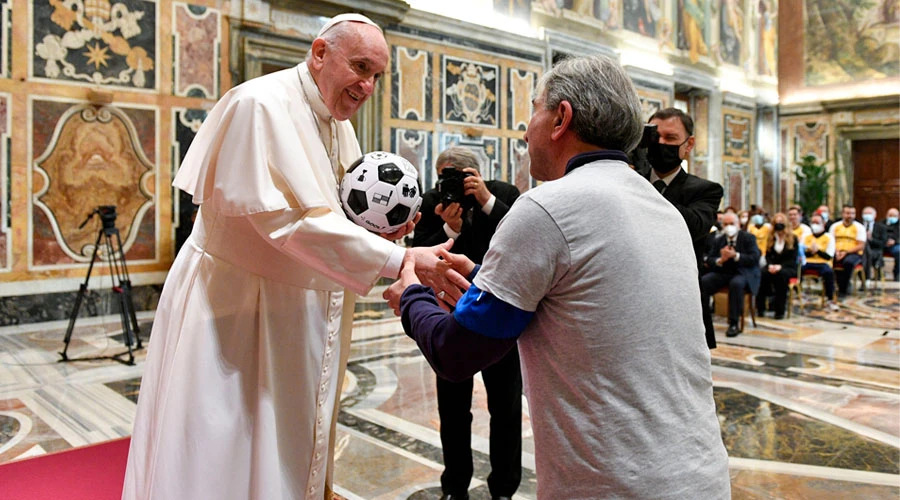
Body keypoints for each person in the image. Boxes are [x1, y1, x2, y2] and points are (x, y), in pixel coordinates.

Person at [122, 14, 441, 499]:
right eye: (360, 67)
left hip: (294, 314)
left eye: (377, 75)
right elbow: (285, 223)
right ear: (319, 53)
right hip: (233, 313)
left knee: (281, 446)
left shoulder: (338, 126)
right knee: (225, 446)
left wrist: (388, 235)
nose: (368, 86)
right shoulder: (258, 105)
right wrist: (398, 261)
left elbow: (333, 217)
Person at [386, 55, 730, 499]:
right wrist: (487, 282)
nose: (525, 130)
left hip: (615, 485)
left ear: (560, 118)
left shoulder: (547, 206)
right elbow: (582, 303)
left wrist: (413, 294)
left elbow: (456, 354)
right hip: (700, 474)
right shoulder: (661, 208)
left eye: (533, 110)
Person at [412, 147, 522, 500]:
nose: (452, 184)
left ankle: (504, 489)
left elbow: (520, 240)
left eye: (459, 176)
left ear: (477, 174)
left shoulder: (502, 194)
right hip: (450, 315)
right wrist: (450, 228)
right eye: (446, 175)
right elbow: (418, 255)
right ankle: (454, 486)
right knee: (453, 409)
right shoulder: (432, 202)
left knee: (505, 407)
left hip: (498, 314)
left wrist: (487, 201)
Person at [642, 107, 724, 271]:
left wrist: (642, 191)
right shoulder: (630, 180)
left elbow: (692, 227)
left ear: (688, 145)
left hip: (679, 283)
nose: (661, 143)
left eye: (670, 138)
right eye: (656, 137)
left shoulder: (706, 190)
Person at [701, 211, 761, 338]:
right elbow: (710, 259)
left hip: (743, 272)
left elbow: (754, 258)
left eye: (732, 223)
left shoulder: (748, 238)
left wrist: (736, 256)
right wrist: (720, 260)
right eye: (726, 224)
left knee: (736, 284)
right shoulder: (719, 240)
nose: (729, 227)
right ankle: (703, 321)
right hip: (723, 272)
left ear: (738, 224)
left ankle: (734, 323)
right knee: (704, 282)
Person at [756, 213, 798, 319]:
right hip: (772, 266)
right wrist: (770, 265)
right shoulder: (771, 238)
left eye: (781, 222)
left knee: (781, 276)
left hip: (788, 267)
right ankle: (761, 308)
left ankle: (779, 310)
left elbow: (793, 258)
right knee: (761, 274)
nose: (779, 225)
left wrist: (780, 266)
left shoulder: (793, 238)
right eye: (776, 223)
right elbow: (768, 255)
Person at [803, 214, 840, 312]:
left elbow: (829, 255)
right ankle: (799, 294)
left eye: (817, 223)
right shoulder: (806, 237)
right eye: (813, 222)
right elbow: (802, 254)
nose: (815, 225)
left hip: (823, 263)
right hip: (808, 262)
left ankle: (830, 299)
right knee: (794, 270)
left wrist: (818, 251)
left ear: (823, 224)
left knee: (828, 273)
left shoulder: (829, 237)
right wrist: (811, 252)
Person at [829, 205, 866, 298]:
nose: (850, 215)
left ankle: (843, 289)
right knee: (828, 262)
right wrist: (836, 251)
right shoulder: (835, 226)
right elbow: (830, 241)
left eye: (852, 213)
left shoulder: (859, 227)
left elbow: (861, 245)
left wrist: (845, 252)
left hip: (853, 253)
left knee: (848, 263)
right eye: (847, 213)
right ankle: (831, 287)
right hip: (836, 251)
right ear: (842, 214)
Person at [861, 206, 887, 286]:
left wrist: (871, 239)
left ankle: (866, 278)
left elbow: (882, 244)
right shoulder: (859, 225)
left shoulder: (881, 227)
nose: (867, 215)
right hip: (859, 250)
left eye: (869, 213)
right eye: (865, 213)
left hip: (875, 251)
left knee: (867, 254)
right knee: (864, 253)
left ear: (874, 215)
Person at [884, 207, 899, 281]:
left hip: (895, 244)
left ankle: (897, 273)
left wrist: (894, 241)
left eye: (894, 216)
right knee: (874, 251)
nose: (892, 217)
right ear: (887, 215)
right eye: (890, 215)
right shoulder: (881, 223)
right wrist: (885, 241)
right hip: (882, 244)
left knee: (898, 251)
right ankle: (880, 273)